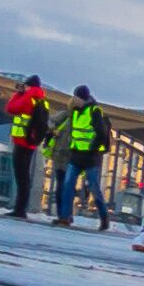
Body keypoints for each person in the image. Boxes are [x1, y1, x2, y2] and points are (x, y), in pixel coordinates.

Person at [53, 86, 110, 231]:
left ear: (81, 98)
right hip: (76, 155)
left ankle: (104, 218)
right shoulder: (75, 112)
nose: (73, 99)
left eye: (75, 97)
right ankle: (65, 217)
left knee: (94, 188)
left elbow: (101, 134)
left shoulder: (94, 111)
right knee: (67, 184)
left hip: (90, 158)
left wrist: (92, 149)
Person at [2, 76, 49, 221]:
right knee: (25, 176)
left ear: (29, 86)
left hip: (22, 140)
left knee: (21, 176)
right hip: (32, 141)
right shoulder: (42, 100)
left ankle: (20, 209)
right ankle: (21, 207)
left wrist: (19, 93)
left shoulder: (29, 96)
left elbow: (11, 108)